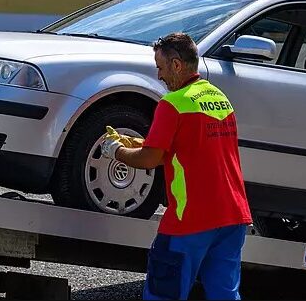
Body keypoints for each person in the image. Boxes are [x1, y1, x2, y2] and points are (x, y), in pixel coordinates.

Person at [100, 32, 252, 300]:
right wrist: (137, 142)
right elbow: (189, 145)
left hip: (191, 218)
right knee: (225, 295)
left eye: (160, 67)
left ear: (176, 65)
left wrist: (117, 151)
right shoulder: (218, 98)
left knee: (164, 293)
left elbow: (151, 159)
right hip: (233, 215)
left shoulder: (173, 104)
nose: (159, 75)